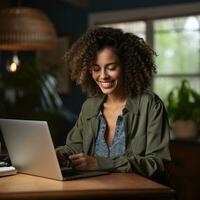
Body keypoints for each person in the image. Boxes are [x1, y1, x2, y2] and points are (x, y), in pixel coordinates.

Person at [56, 27, 171, 182]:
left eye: (111, 68)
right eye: (96, 69)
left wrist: (100, 163)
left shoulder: (150, 105)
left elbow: (158, 163)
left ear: (126, 66)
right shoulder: (90, 107)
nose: (103, 76)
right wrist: (57, 155)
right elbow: (73, 148)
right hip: (96, 190)